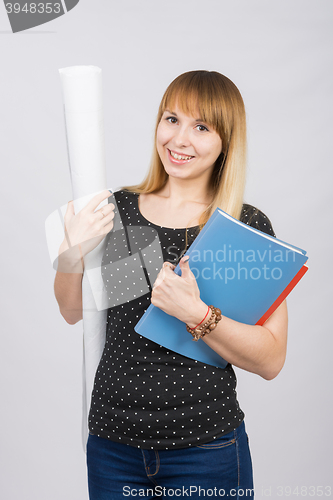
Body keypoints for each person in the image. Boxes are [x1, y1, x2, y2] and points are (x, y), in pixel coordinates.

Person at [54, 70, 288, 499]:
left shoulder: (241, 228)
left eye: (201, 127)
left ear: (225, 143)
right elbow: (72, 311)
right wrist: (71, 253)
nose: (179, 139)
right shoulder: (118, 209)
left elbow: (271, 360)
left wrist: (196, 315)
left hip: (205, 449)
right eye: (171, 119)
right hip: (113, 447)